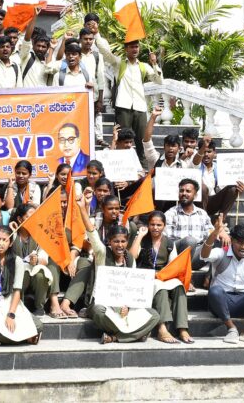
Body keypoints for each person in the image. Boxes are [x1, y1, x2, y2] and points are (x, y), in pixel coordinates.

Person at [75, 192, 159, 344]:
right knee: (99, 312)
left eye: (123, 242)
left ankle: (115, 337)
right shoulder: (102, 253)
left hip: (123, 306)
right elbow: (91, 233)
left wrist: (128, 306)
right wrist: (82, 208)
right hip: (103, 304)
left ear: (127, 242)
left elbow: (131, 288)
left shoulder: (130, 259)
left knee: (154, 315)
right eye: (116, 242)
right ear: (109, 241)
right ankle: (134, 334)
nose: (120, 245)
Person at [96, 35, 162, 165]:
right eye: (132, 47)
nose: (135, 49)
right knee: (123, 140)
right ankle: (122, 168)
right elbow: (106, 53)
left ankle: (143, 171)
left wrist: (154, 64)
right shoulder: (119, 63)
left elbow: (159, 80)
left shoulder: (143, 66)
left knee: (142, 142)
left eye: (136, 46)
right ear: (126, 49)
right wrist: (97, 34)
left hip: (140, 107)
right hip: (123, 107)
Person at [0, 226, 41, 344]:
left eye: (5, 240)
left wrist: (11, 314)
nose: (1, 243)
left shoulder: (17, 261)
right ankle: (11, 337)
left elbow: (17, 291)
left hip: (10, 299)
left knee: (37, 325)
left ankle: (6, 338)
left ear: (10, 243)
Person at [137, 211, 193, 344]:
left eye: (159, 225)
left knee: (179, 287)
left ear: (164, 226)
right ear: (148, 225)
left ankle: (182, 328)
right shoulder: (142, 239)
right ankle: (162, 328)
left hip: (163, 275)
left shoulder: (169, 243)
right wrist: (139, 236)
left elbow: (173, 265)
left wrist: (166, 276)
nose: (155, 228)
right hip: (145, 277)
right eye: (152, 224)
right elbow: (132, 256)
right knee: (160, 288)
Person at [165, 178, 230, 270]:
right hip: (177, 255)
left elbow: (210, 233)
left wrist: (221, 232)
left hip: (197, 256)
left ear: (195, 195)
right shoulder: (171, 213)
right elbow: (167, 241)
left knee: (223, 240)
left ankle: (210, 276)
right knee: (190, 241)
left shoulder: (202, 213)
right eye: (181, 191)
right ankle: (184, 274)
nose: (184, 193)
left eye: (188, 191)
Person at [9, 203, 61, 318]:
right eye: (29, 217)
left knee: (41, 274)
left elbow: (44, 259)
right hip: (16, 274)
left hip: (33, 271)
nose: (33, 220)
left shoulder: (41, 235)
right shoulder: (11, 233)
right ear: (19, 219)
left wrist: (36, 260)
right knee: (22, 272)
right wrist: (12, 232)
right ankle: (18, 305)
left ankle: (39, 307)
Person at [192, 137, 244, 217]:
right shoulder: (195, 165)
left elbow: (225, 189)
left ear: (214, 153)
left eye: (209, 152)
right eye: (204, 152)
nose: (206, 154)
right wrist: (203, 146)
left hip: (213, 201)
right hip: (197, 201)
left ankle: (220, 220)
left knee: (233, 188)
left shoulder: (220, 167)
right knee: (202, 188)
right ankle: (202, 219)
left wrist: (239, 190)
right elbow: (195, 161)